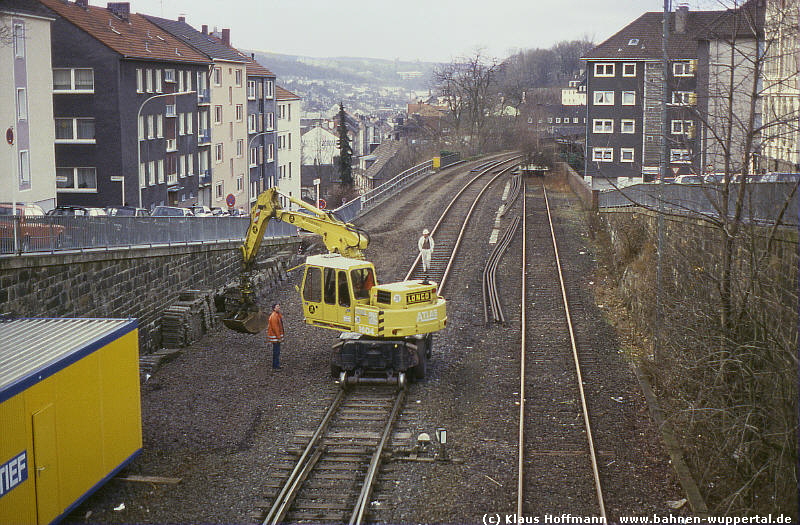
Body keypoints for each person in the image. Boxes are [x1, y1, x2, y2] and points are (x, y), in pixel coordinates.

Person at [267, 303, 284, 370]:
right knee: (276, 352)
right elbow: (275, 328)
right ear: (274, 308)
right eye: (277, 306)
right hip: (275, 338)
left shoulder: (277, 315)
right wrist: (279, 337)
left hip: (275, 337)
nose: (279, 307)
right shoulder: (274, 316)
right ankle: (275, 366)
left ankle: (276, 365)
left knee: (276, 351)